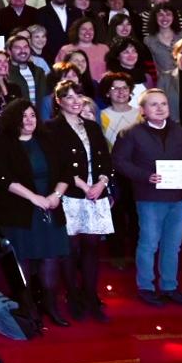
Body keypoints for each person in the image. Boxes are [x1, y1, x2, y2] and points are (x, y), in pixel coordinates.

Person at [0, 99, 71, 328]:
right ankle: (28, 308)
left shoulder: (48, 139)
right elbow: (2, 177)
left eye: (32, 115)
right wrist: (34, 198)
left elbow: (66, 170)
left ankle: (51, 306)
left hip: (50, 207)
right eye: (24, 116)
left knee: (50, 257)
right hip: (18, 210)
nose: (29, 120)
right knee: (21, 259)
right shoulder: (0, 143)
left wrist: (56, 195)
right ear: (13, 119)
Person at [112, 90, 182, 307]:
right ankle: (146, 287)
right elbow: (119, 161)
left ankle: (170, 286)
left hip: (178, 197)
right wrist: (145, 176)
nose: (160, 108)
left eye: (163, 104)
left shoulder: (179, 131)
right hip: (149, 196)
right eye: (154, 104)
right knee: (149, 244)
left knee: (173, 245)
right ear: (142, 110)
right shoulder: (130, 133)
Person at [49, 79, 115, 321]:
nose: (75, 101)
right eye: (69, 97)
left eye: (78, 96)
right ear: (59, 101)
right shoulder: (52, 128)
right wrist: (83, 185)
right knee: (70, 248)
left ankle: (91, 296)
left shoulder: (92, 126)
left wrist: (102, 183)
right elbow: (57, 164)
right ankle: (73, 296)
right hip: (71, 194)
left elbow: (105, 159)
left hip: (96, 193)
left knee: (92, 247)